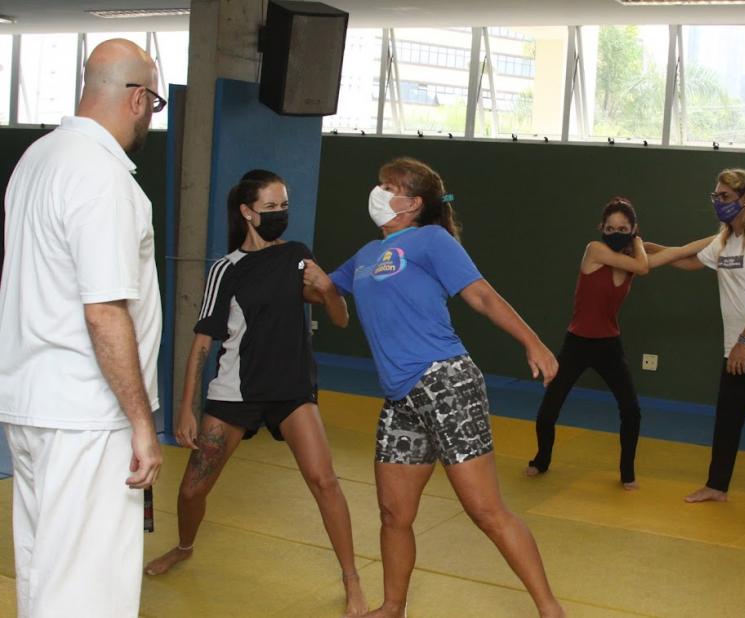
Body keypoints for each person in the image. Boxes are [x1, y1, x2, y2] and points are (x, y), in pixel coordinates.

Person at [327, 158, 565, 618]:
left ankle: (551, 610)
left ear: (413, 203)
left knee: (486, 511)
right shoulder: (362, 257)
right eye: (379, 184)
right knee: (394, 515)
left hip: (445, 383)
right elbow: (322, 288)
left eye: (388, 186)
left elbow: (480, 296)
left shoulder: (431, 240)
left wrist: (532, 342)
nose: (377, 192)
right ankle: (393, 606)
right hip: (400, 400)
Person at [143, 170, 368, 615]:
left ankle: (352, 578)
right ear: (247, 212)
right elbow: (202, 342)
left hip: (291, 390)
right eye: (271, 208)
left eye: (285, 206)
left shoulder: (298, 257)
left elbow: (339, 318)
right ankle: (185, 547)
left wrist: (328, 289)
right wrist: (185, 409)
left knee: (325, 482)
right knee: (191, 491)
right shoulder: (225, 269)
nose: (281, 214)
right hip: (234, 392)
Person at [0, 39, 164, 616]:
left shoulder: (38, 159)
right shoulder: (103, 178)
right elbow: (103, 308)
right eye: (156, 105)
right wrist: (141, 422)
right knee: (89, 589)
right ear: (140, 99)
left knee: (46, 571)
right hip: (87, 417)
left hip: (34, 403)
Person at [645, 168, 745, 516]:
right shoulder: (724, 240)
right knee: (728, 417)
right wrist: (646, 248)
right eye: (715, 197)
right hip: (739, 346)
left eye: (725, 197)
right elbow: (688, 260)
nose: (718, 203)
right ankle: (717, 486)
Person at [524, 197, 649, 489]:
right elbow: (644, 267)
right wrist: (640, 241)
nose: (616, 232)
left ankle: (627, 472)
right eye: (610, 227)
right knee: (549, 407)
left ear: (632, 228)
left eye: (623, 228)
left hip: (610, 345)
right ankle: (542, 459)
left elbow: (677, 254)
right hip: (578, 343)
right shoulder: (595, 250)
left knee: (631, 409)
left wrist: (720, 239)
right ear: (601, 228)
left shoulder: (630, 258)